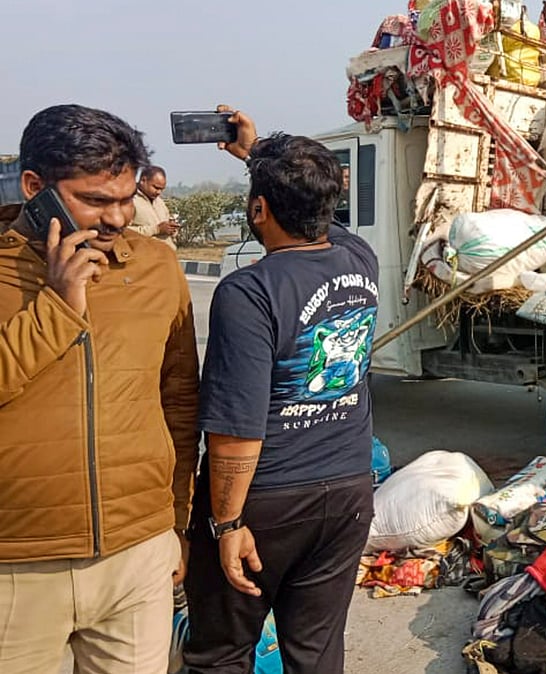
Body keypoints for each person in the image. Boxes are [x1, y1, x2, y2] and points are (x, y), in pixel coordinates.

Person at [0, 105, 199, 672]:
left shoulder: (156, 266)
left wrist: (175, 525)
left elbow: (180, 401)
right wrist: (59, 306)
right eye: (94, 200)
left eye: (126, 198)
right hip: (15, 563)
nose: (116, 218)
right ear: (35, 188)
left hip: (138, 555)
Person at [184, 107, 379, 673]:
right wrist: (258, 159)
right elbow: (318, 217)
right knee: (316, 653)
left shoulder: (248, 291)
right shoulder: (359, 260)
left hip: (268, 499)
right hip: (347, 491)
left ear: (259, 210)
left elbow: (236, 426)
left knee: (221, 654)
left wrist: (226, 524)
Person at [130, 164, 180, 249]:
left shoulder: (159, 202)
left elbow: (167, 225)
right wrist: (156, 229)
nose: (159, 192)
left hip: (167, 253)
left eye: (161, 189)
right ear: (143, 180)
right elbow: (123, 232)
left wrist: (172, 230)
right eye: (156, 188)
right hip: (144, 255)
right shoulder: (129, 201)